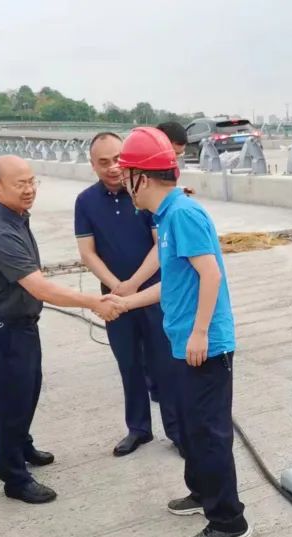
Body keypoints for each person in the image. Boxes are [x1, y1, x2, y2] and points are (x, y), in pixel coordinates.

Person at [105, 128, 252, 537]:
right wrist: (126, 302)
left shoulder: (183, 215)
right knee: (189, 426)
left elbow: (211, 274)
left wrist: (201, 331)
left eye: (126, 175)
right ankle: (202, 492)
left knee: (209, 433)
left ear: (142, 177)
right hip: (183, 341)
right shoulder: (166, 217)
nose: (123, 183)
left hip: (204, 345)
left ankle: (228, 520)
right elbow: (173, 283)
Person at [0, 155, 120, 504]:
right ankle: (14, 477)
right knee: (9, 401)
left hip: (21, 323)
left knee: (27, 390)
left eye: (32, 182)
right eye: (20, 184)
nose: (29, 190)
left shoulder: (14, 214)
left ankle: (21, 445)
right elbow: (40, 287)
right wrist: (93, 302)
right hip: (1, 328)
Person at [75, 132, 180, 457]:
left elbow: (160, 246)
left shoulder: (144, 193)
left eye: (117, 160)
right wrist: (116, 286)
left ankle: (177, 430)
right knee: (129, 363)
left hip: (153, 294)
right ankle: (138, 429)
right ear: (92, 165)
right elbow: (88, 252)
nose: (112, 168)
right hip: (113, 301)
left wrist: (133, 283)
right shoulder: (86, 202)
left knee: (164, 363)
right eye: (103, 162)